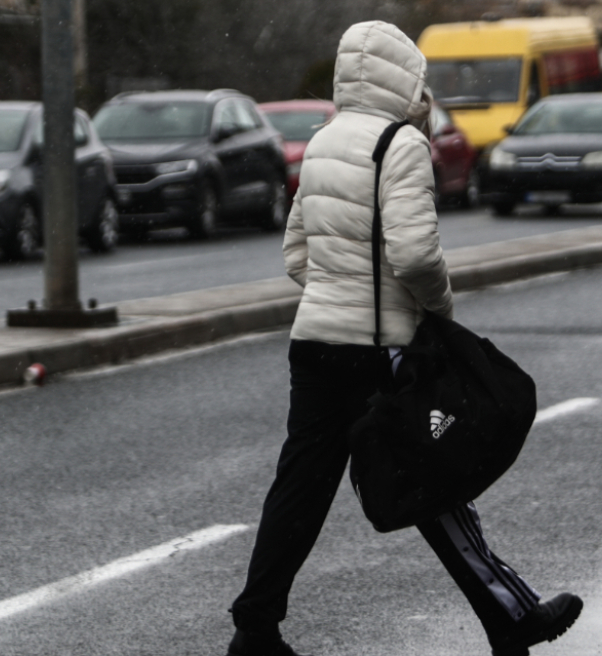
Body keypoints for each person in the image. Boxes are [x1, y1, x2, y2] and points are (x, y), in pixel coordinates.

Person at [226, 20, 582, 656]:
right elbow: (416, 257)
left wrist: (339, 289)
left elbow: (296, 255)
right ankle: (511, 615)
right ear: (404, 77)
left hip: (314, 345)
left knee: (301, 486)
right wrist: (436, 311)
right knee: (432, 476)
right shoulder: (401, 145)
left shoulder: (324, 142)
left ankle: (256, 627)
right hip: (377, 348)